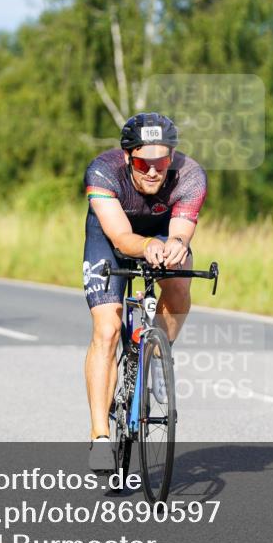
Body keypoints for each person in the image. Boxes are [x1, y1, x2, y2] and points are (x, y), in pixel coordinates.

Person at [82, 112, 207, 471]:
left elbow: (181, 230)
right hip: (109, 237)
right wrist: (147, 244)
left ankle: (155, 356)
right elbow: (121, 238)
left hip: (162, 233)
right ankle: (100, 436)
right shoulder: (102, 171)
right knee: (107, 329)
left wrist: (178, 244)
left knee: (180, 282)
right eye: (142, 162)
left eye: (161, 162)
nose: (153, 171)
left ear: (171, 158)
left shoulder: (191, 176)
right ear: (127, 158)